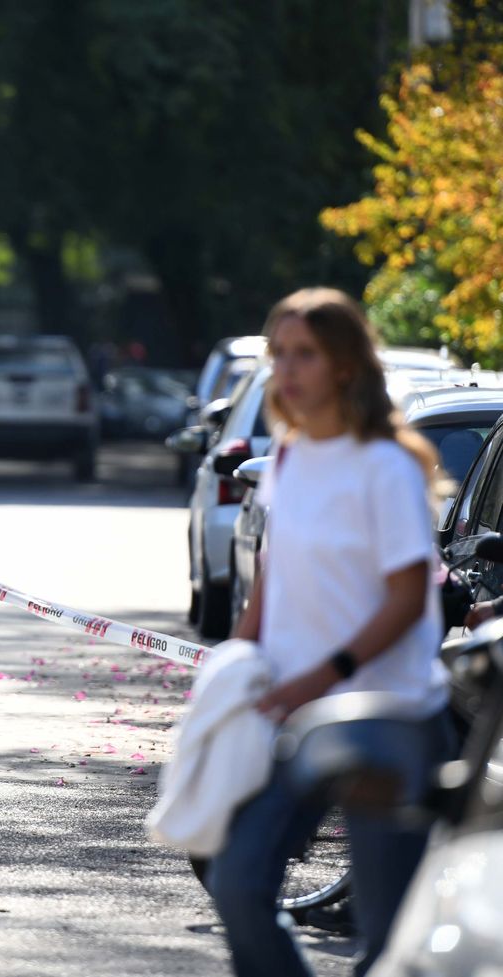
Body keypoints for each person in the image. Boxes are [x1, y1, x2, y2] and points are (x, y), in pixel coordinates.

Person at [207, 288, 456, 977]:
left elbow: (410, 599)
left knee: (383, 939)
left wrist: (322, 675)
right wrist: (233, 667)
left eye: (305, 354)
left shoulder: (388, 464)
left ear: (345, 365)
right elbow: (272, 577)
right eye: (278, 354)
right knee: (237, 883)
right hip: (293, 714)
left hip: (386, 717)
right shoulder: (287, 457)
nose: (286, 369)